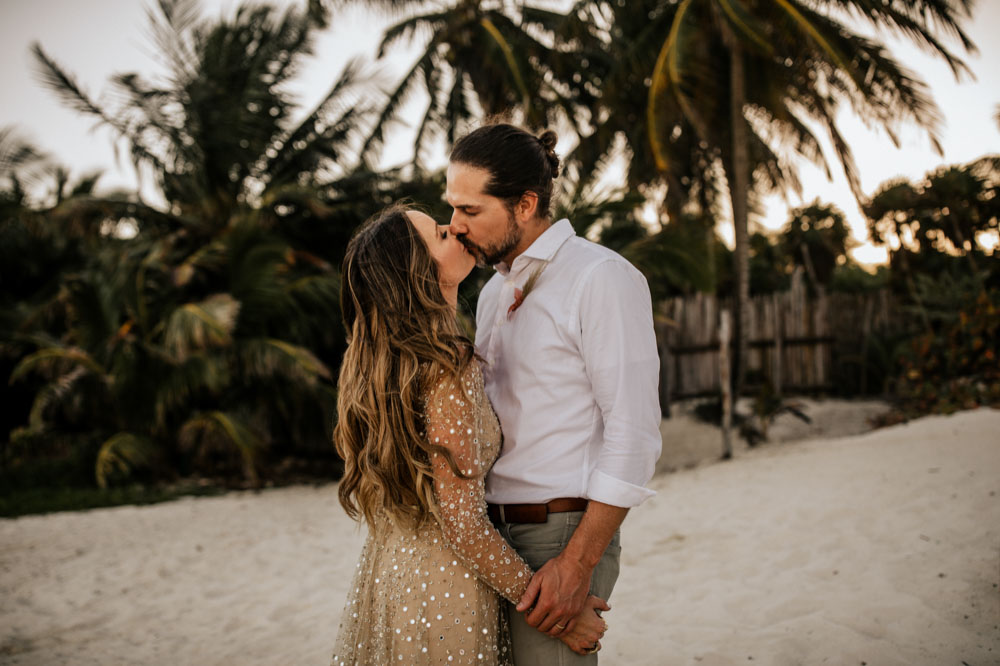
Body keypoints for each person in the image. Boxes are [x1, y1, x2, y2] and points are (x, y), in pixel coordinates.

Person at [330, 203, 610, 665]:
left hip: (387, 579)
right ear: (417, 272)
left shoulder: (368, 369)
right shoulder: (446, 365)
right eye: (441, 234)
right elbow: (463, 525)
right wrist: (553, 611)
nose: (456, 229)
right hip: (445, 588)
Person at [445, 123, 662, 664]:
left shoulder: (601, 277)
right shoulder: (494, 290)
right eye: (452, 208)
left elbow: (634, 436)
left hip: (560, 534)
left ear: (525, 203)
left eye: (470, 211)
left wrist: (577, 563)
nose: (455, 226)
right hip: (491, 539)